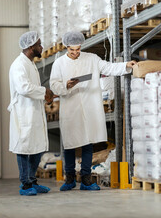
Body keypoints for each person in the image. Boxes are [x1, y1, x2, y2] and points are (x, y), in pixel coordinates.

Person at [50, 31, 137, 191]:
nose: (75, 53)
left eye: (78, 49)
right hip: (71, 108)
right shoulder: (59, 63)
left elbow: (108, 68)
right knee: (70, 144)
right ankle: (69, 179)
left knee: (88, 143)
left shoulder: (91, 59)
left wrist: (126, 65)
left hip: (90, 107)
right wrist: (65, 86)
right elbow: (53, 84)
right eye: (72, 50)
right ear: (66, 48)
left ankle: (86, 180)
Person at [8, 31, 54, 196]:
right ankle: (26, 185)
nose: (42, 47)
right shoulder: (19, 65)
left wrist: (46, 95)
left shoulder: (30, 64)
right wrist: (44, 92)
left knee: (37, 147)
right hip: (23, 113)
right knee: (24, 147)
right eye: (39, 44)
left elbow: (32, 89)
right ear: (30, 46)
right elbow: (23, 88)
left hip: (34, 111)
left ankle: (32, 181)